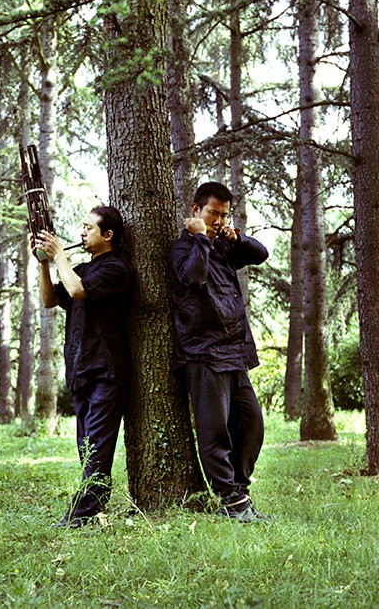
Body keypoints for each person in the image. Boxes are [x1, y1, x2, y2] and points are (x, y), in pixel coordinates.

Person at [169, 181, 270, 523]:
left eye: (223, 214)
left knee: (251, 423)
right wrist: (200, 237)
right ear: (196, 210)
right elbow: (194, 278)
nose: (217, 220)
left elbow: (260, 254)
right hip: (202, 353)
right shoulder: (183, 248)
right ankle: (231, 502)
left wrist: (235, 237)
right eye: (213, 213)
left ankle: (239, 491)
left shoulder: (225, 246)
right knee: (214, 433)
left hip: (234, 351)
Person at [33, 206, 132, 529]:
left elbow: (77, 291)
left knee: (97, 447)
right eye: (82, 227)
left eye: (88, 228)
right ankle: (94, 505)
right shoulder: (79, 269)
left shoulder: (116, 268)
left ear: (108, 236)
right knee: (86, 447)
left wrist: (59, 254)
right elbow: (51, 300)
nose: (82, 233)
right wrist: (44, 264)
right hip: (81, 369)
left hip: (107, 370)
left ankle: (83, 515)